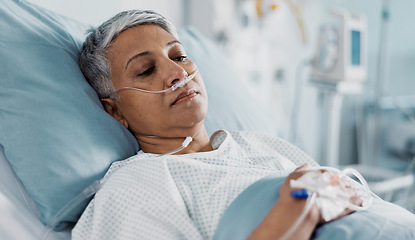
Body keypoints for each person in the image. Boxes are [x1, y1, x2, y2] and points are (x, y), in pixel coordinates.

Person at [72, 10, 356, 240]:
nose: (178, 73)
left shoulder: (261, 145)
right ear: (115, 111)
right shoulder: (134, 187)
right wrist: (298, 205)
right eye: (146, 70)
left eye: (178, 55)